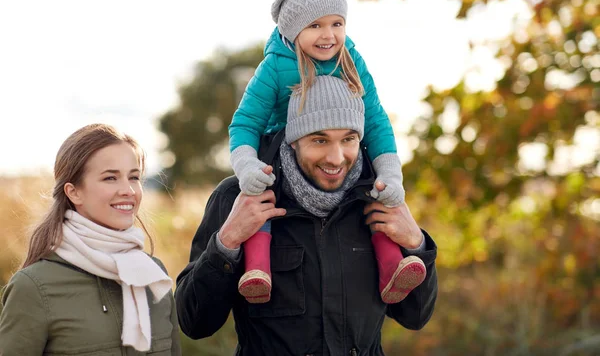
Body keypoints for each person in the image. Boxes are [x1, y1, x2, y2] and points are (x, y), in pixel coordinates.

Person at [176, 76, 438, 355]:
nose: (336, 158)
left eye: (348, 139)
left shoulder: (379, 197)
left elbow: (415, 316)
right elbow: (194, 323)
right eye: (320, 140)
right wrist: (226, 243)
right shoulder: (238, 197)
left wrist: (415, 245)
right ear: (293, 141)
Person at [228, 0, 426, 304]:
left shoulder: (351, 60)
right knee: (263, 199)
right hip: (282, 147)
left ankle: (393, 266)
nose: (329, 35)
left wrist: (391, 173)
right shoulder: (275, 67)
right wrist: (247, 165)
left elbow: (375, 119)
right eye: (316, 25)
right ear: (293, 30)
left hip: (341, 141)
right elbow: (245, 122)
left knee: (373, 193)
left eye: (337, 23)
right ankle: (257, 269)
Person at [0, 123, 181, 355]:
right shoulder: (34, 287)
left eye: (134, 177)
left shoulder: (153, 275)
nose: (128, 190)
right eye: (110, 178)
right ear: (73, 192)